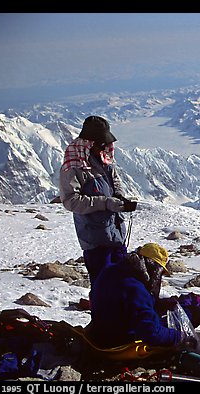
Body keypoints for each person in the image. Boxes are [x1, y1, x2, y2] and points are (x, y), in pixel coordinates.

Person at [59, 115, 136, 287]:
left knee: (121, 285)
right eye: (101, 143)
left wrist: (120, 197)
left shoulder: (105, 159)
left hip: (116, 234)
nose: (105, 147)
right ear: (89, 143)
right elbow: (71, 201)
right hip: (95, 240)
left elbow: (115, 181)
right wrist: (106, 203)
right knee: (103, 287)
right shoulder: (74, 167)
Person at [86, 243, 183, 348]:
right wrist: (180, 336)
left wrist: (157, 303)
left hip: (96, 333)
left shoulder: (110, 270)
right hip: (116, 343)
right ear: (154, 269)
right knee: (173, 325)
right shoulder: (136, 288)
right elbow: (151, 334)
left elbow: (125, 304)